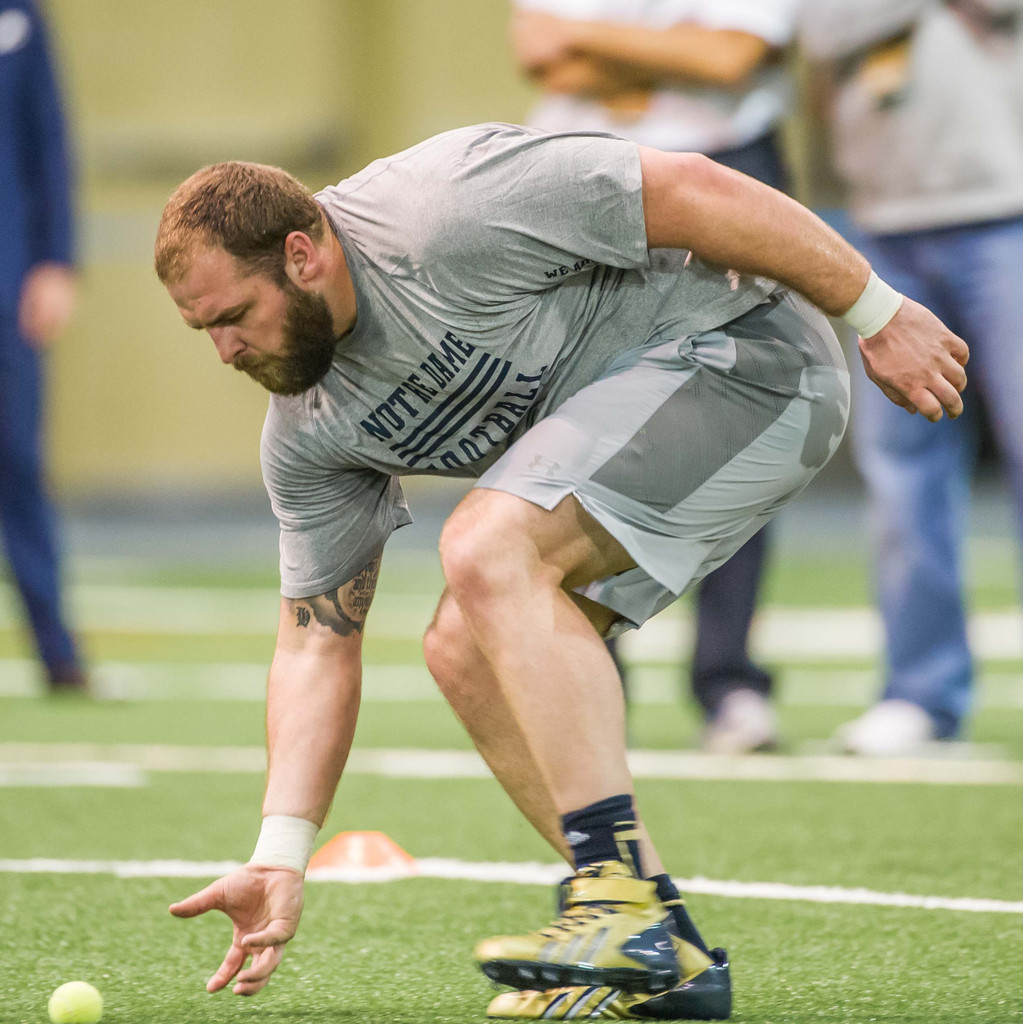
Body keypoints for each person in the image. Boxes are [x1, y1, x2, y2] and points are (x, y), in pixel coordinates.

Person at [154, 123, 966, 1019]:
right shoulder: (309, 427)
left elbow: (696, 188)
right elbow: (315, 646)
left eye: (232, 318)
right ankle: (673, 962)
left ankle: (613, 899)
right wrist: (279, 852)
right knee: (462, 646)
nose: (225, 354)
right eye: (204, 332)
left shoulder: (441, 210)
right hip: (659, 416)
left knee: (485, 547)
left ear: (302, 256)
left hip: (752, 353)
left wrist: (878, 313)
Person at [510, 0, 802, 753]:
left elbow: (729, 59)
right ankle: (592, 678)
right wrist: (671, 48)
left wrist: (591, 39)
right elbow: (543, 53)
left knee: (743, 427)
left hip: (725, 169)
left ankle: (728, 681)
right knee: (575, 431)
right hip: (581, 177)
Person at [802, 0, 1023, 756]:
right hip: (881, 224)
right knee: (901, 471)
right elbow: (819, 29)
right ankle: (922, 694)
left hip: (1006, 210)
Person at [0, 0, 85, 692]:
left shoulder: (21, 15)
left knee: (20, 463)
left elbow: (47, 140)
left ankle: (57, 650)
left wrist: (55, 259)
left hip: (8, 281)